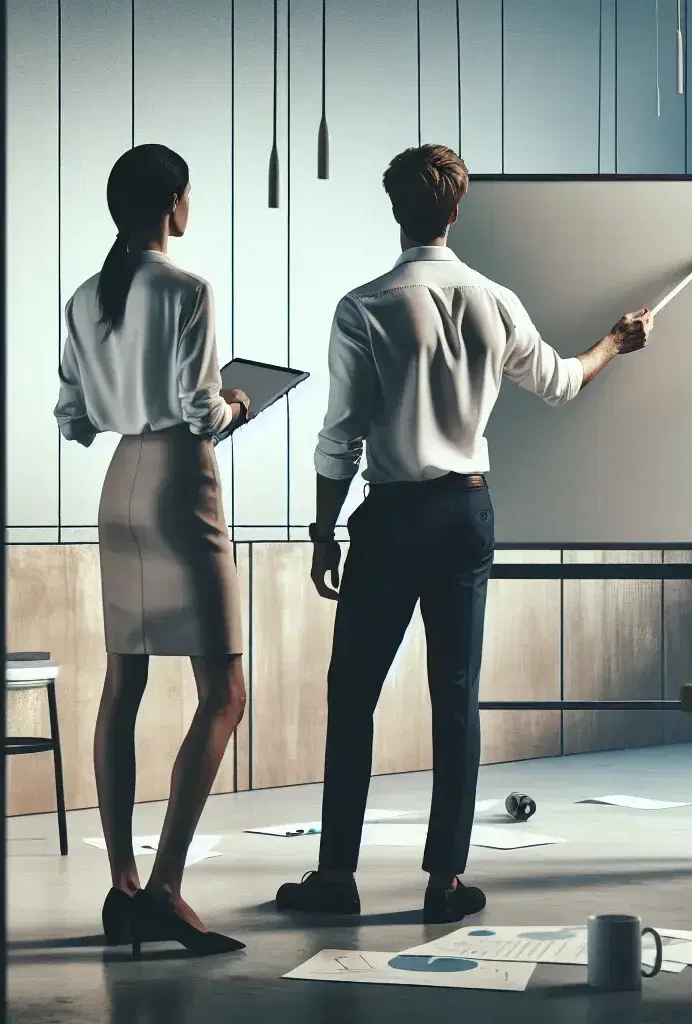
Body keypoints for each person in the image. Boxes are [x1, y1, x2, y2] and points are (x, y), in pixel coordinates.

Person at [273, 144, 653, 924]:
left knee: (352, 694)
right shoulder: (494, 300)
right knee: (457, 698)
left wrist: (322, 529)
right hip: (466, 514)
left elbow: (340, 436)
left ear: (395, 209)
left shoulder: (364, 305)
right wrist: (615, 341)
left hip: (392, 514)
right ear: (455, 209)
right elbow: (558, 381)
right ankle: (445, 882)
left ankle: (336, 878)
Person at [55, 144, 251, 955]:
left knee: (123, 684)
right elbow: (201, 411)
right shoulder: (188, 288)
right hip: (177, 479)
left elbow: (73, 418)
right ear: (174, 200)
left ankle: (124, 887)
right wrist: (239, 402)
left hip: (118, 482)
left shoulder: (81, 298)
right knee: (225, 691)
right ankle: (168, 888)